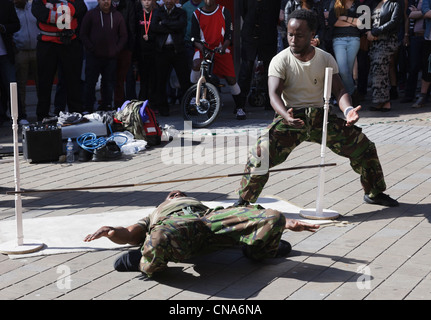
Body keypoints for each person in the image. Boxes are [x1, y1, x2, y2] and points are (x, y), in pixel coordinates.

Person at [233, 9, 399, 209]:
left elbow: (339, 91)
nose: (293, 39)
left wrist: (348, 111)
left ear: (312, 35)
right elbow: (274, 94)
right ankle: (244, 200)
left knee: (365, 147)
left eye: (299, 35)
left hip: (321, 118)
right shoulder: (280, 60)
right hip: (291, 117)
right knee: (261, 152)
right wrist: (285, 115)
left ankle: (374, 192)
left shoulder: (325, 58)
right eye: (290, 34)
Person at [84, 190, 320, 277]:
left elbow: (242, 215)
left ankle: (257, 248)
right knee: (156, 240)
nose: (176, 193)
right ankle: (143, 261)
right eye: (172, 194)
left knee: (273, 216)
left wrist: (285, 222)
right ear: (166, 200)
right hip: (177, 228)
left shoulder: (203, 206)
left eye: (179, 193)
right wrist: (112, 232)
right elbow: (130, 234)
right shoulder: (157, 213)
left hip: (208, 222)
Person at [32, 0, 87, 121]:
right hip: (47, 44)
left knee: (74, 82)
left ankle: (76, 114)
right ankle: (42, 116)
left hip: (69, 42)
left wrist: (55, 12)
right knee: (44, 82)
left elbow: (81, 8)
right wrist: (66, 14)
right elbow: (40, 13)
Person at [190, 0, 244, 120]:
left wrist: (223, 47)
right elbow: (194, 38)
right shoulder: (197, 14)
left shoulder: (224, 11)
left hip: (221, 49)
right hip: (203, 49)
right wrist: (203, 49)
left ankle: (240, 107)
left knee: (231, 79)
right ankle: (194, 96)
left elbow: (229, 35)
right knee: (196, 64)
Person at [234, 0, 281, 118]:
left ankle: (271, 101)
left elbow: (275, 12)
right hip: (250, 31)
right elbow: (243, 11)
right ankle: (240, 104)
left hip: (268, 31)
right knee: (246, 68)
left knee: (270, 68)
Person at [80, 0, 127, 112]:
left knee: (108, 83)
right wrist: (91, 48)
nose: (106, 2)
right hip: (93, 56)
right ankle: (88, 107)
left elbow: (124, 36)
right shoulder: (91, 14)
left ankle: (106, 106)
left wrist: (116, 49)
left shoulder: (117, 15)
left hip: (111, 57)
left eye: (108, 0)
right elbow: (83, 34)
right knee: (90, 83)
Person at [150, 0, 191, 116]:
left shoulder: (181, 12)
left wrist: (163, 23)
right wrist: (172, 25)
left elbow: (181, 25)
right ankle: (163, 108)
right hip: (162, 50)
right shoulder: (158, 12)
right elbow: (154, 27)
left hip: (177, 50)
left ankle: (187, 106)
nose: (168, 1)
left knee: (184, 80)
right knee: (161, 81)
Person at [366, 0, 402, 112]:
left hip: (387, 40)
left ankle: (381, 101)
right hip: (375, 41)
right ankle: (384, 102)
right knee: (378, 69)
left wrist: (376, 31)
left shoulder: (395, 3)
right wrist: (368, 32)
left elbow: (394, 22)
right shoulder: (374, 3)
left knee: (380, 68)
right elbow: (366, 19)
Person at [13, 0, 39, 125]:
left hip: (37, 49)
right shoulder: (12, 10)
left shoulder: (34, 6)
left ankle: (42, 112)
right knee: (20, 85)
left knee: (41, 83)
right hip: (20, 51)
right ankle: (21, 114)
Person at [328, 0, 361, 97]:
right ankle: (351, 93)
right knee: (343, 71)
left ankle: (344, 97)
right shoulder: (335, 3)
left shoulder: (358, 4)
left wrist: (344, 18)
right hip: (338, 39)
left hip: (354, 38)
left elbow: (361, 23)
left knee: (348, 71)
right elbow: (333, 22)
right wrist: (352, 22)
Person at [112, 0, 136, 109]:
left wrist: (130, 48)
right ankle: (115, 103)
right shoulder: (106, 4)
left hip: (126, 47)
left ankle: (130, 104)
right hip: (110, 48)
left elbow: (132, 27)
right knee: (112, 77)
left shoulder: (128, 4)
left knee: (128, 76)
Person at [0, 0, 20, 126]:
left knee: (11, 85)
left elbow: (16, 25)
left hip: (5, 54)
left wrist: (3, 28)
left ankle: (17, 116)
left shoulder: (6, 4)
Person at [401, 0, 424, 104]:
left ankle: (425, 94)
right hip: (415, 36)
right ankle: (409, 95)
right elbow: (409, 15)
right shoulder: (414, 1)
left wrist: (418, 12)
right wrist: (406, 35)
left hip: (428, 37)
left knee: (427, 67)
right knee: (413, 66)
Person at [135, 0, 157, 102]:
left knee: (154, 79)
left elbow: (160, 30)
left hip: (154, 51)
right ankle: (142, 101)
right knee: (143, 79)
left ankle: (153, 103)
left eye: (149, 0)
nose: (147, 2)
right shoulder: (138, 15)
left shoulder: (157, 14)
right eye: (144, 0)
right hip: (141, 52)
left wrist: (151, 36)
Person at [181, 0, 204, 71]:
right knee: (189, 68)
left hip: (203, 43)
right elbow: (183, 25)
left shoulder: (205, 5)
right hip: (188, 43)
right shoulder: (185, 7)